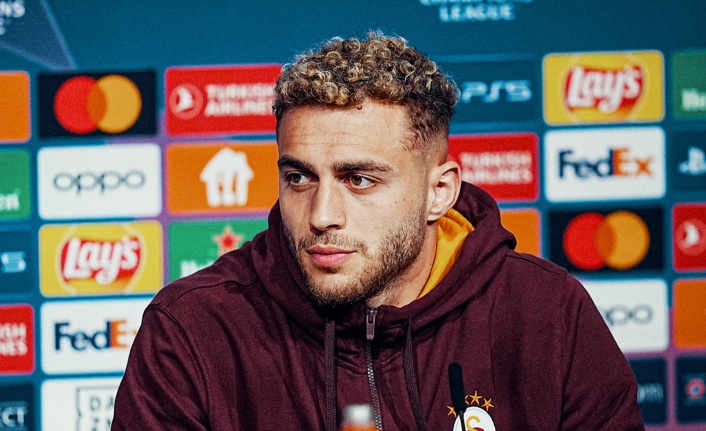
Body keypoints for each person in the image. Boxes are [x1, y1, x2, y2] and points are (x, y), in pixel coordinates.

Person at [112, 31, 644, 430]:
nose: (321, 215)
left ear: (439, 191)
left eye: (359, 179)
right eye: (299, 177)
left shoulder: (547, 316)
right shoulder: (192, 330)